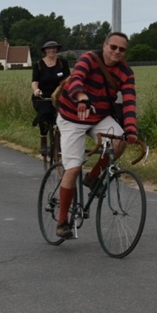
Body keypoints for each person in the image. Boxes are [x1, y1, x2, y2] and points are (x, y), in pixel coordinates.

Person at [54, 32, 138, 239]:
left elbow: (129, 102)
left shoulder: (126, 72)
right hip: (72, 116)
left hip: (98, 116)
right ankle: (62, 221)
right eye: (113, 47)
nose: (117, 52)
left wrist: (131, 129)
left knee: (119, 141)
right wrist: (82, 97)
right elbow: (76, 79)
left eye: (122, 49)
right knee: (73, 168)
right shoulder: (89, 59)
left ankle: (92, 177)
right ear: (104, 45)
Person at [30, 39, 70, 156]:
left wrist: (63, 86)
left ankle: (62, 143)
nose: (51, 50)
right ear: (45, 51)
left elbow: (67, 79)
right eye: (49, 48)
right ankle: (43, 141)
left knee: (64, 116)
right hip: (43, 96)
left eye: (53, 48)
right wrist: (36, 90)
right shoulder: (38, 64)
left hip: (59, 95)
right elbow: (35, 82)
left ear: (57, 49)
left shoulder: (62, 63)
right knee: (45, 113)